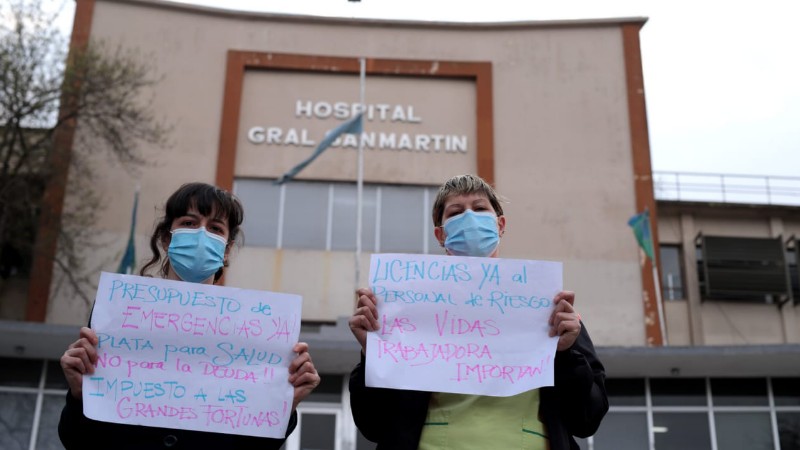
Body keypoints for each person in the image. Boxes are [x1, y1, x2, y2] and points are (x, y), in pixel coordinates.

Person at [348, 174, 608, 450]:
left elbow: (587, 420)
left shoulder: (550, 306)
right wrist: (373, 356)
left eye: (480, 208)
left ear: (500, 225)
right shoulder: (404, 309)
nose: (470, 217)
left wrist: (566, 355)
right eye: (456, 212)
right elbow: (373, 424)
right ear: (440, 234)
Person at [59, 182, 320, 450]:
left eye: (215, 228)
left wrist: (285, 405)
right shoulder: (116, 313)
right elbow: (77, 441)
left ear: (226, 249)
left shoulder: (258, 333)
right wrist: (80, 396)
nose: (201, 234)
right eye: (189, 223)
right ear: (167, 237)